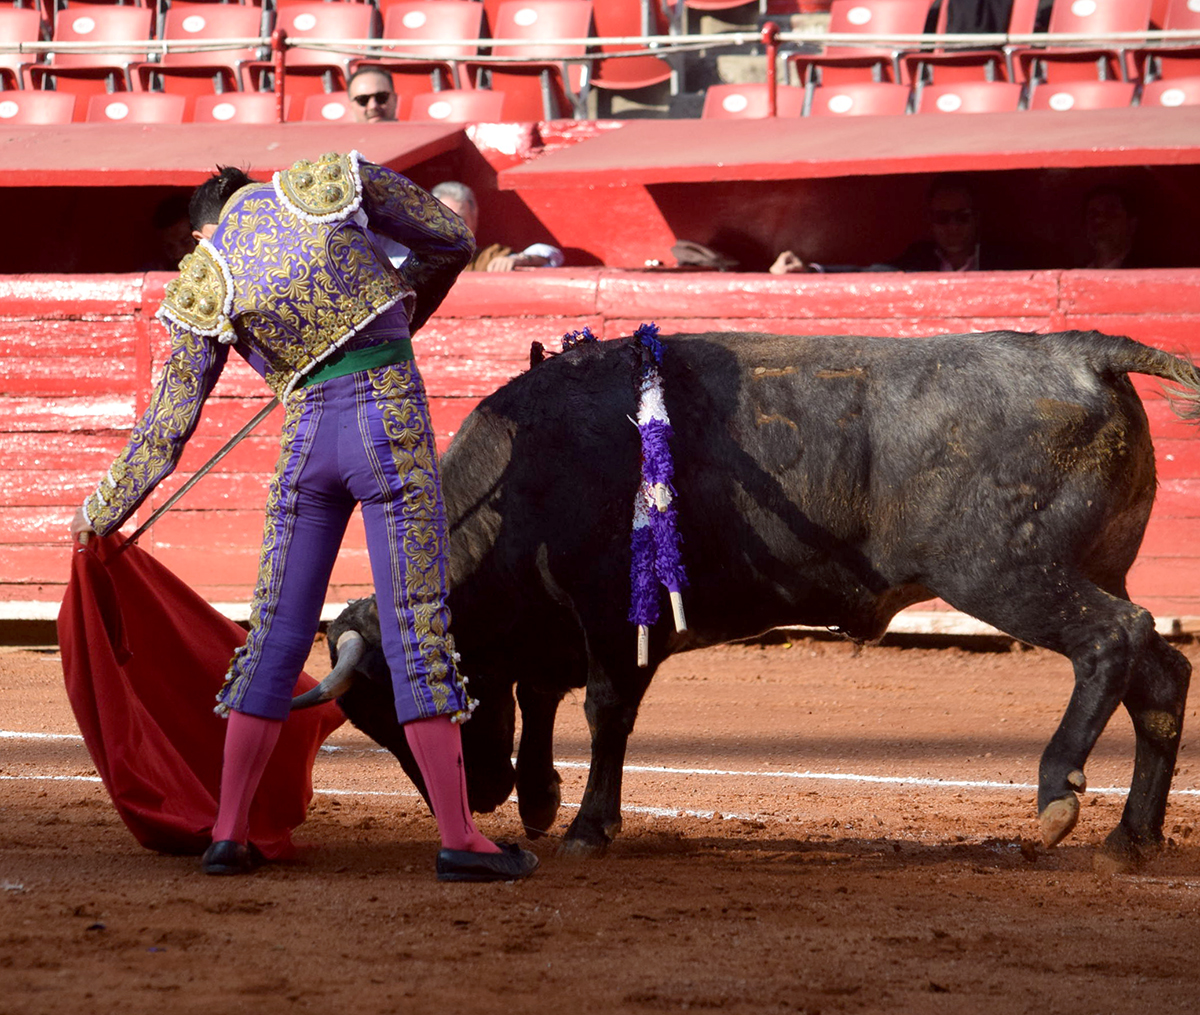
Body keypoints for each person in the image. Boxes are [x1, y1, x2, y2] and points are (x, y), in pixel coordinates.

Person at [69, 152, 539, 884]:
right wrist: (396, 306)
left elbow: (166, 427)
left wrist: (100, 512)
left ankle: (227, 833)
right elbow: (450, 237)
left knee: (276, 634)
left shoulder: (207, 272)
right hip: (387, 415)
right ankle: (458, 838)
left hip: (308, 440)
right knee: (415, 620)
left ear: (201, 231)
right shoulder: (326, 182)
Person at [769, 175, 1022, 275]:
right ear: (930, 222)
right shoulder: (918, 258)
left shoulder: (1005, 259)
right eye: (942, 218)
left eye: (962, 216)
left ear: (977, 218)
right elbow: (866, 274)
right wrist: (810, 271)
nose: (952, 226)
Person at [431, 181, 564, 272]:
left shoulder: (488, 257)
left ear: (474, 218)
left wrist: (518, 260)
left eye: (460, 220)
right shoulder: (416, 256)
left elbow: (550, 255)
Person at [1082, 185, 1140, 269]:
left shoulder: (1147, 270)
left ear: (1131, 225)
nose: (1099, 220)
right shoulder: (1076, 271)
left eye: (1111, 213)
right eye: (1093, 215)